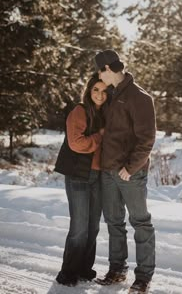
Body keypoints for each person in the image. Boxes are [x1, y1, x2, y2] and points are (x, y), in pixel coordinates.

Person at [93, 49, 156, 293]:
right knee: (114, 222)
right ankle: (117, 269)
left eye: (100, 70)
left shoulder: (139, 97)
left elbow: (147, 139)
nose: (98, 75)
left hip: (130, 173)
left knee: (141, 222)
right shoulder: (111, 94)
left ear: (108, 69)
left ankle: (143, 277)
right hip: (108, 171)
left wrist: (130, 168)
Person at [54, 73, 109, 286]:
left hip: (98, 175)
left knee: (93, 225)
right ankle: (68, 272)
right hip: (78, 175)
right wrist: (100, 136)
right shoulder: (79, 111)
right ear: (89, 90)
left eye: (104, 91)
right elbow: (76, 143)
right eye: (96, 89)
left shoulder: (106, 113)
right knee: (79, 227)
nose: (100, 94)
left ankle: (85, 268)